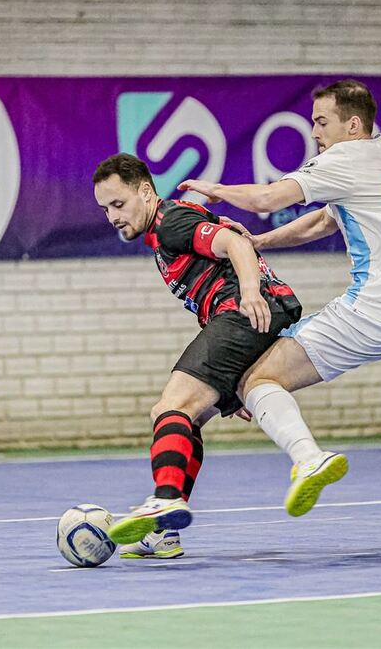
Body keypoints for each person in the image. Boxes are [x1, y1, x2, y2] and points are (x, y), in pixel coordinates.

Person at [179, 79, 381, 549]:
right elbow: (325, 219)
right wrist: (258, 244)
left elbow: (266, 200)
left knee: (257, 382)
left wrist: (214, 190)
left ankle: (307, 458)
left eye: (322, 122)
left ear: (353, 124)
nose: (315, 131)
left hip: (377, 309)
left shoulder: (342, 158)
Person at [93, 153, 347, 558]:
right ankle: (164, 532)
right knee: (187, 414)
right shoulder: (168, 228)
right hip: (252, 317)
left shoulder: (170, 221)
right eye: (105, 208)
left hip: (244, 312)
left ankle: (165, 499)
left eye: (118, 204)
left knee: (169, 408)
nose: (112, 216)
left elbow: (235, 243)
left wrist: (248, 293)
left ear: (145, 191)